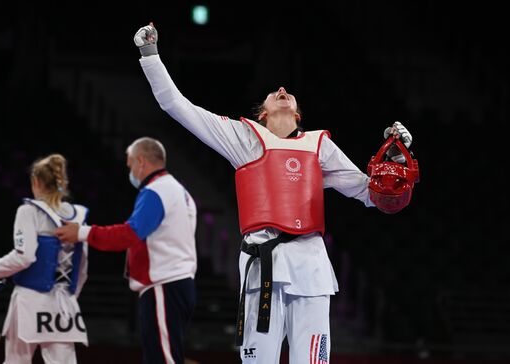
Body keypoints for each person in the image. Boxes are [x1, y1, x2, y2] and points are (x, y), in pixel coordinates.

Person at [134, 23, 414, 364]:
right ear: (263, 113)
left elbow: (373, 195)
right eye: (274, 91)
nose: (282, 88)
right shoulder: (244, 138)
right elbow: (176, 106)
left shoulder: (319, 146)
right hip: (261, 261)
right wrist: (150, 56)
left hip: (311, 264)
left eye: (287, 92)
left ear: (296, 114)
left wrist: (394, 162)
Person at [55, 137, 197, 364]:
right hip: (174, 282)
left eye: (130, 164)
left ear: (141, 161)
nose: (130, 171)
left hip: (164, 283)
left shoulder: (157, 190)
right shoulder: (178, 190)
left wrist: (82, 233)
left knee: (162, 359)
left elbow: (128, 235)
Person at [0, 153, 89, 364]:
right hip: (63, 303)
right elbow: (83, 268)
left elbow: (24, 258)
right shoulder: (79, 216)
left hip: (30, 299)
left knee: (17, 361)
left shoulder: (28, 211)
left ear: (36, 182)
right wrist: (71, 297)